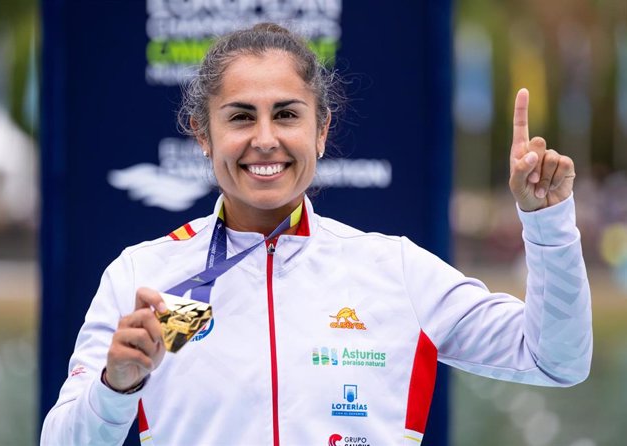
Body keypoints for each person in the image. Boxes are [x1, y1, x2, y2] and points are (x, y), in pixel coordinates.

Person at [41, 23, 592, 446]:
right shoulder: (142, 276)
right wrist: (116, 388)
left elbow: (556, 361)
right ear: (203, 136)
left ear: (321, 130)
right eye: (239, 117)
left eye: (286, 115)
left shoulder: (395, 270)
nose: (264, 139)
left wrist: (546, 224)